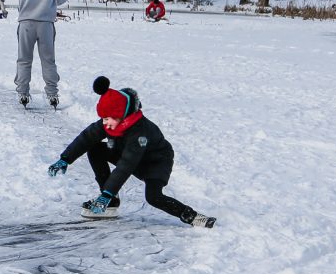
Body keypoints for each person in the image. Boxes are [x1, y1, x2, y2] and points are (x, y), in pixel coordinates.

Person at [46, 76, 216, 228]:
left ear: (120, 114)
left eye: (108, 119)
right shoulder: (111, 122)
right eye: (103, 119)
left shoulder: (140, 132)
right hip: (128, 154)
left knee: (153, 197)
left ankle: (193, 217)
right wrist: (65, 159)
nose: (105, 123)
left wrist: (107, 192)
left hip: (156, 162)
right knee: (95, 149)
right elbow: (86, 138)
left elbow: (126, 165)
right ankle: (111, 202)